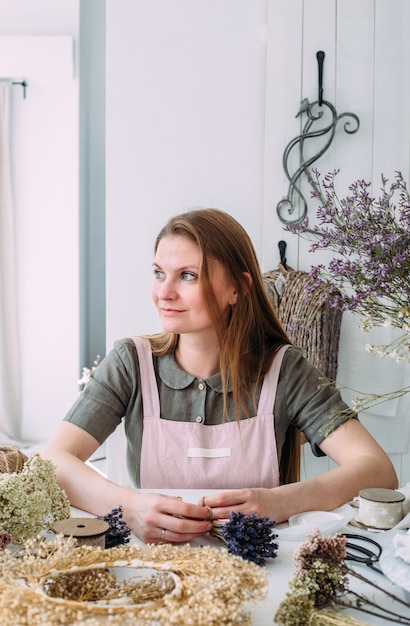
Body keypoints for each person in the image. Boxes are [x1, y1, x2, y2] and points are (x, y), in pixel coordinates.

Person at [43, 208, 398, 544]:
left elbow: (377, 469)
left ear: (237, 289)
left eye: (187, 276)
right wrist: (129, 506)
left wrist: (279, 502)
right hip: (156, 566)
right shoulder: (131, 362)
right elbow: (55, 461)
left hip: (261, 566)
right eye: (158, 273)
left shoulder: (284, 369)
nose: (163, 292)